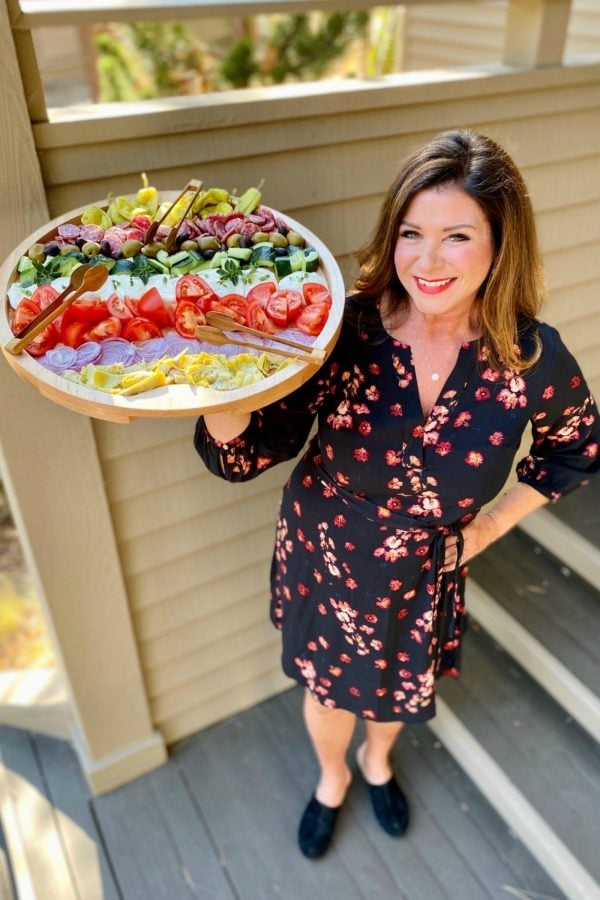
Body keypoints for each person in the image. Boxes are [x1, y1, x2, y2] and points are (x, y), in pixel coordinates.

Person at [193, 130, 599, 859]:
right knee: (327, 692)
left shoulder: (532, 357)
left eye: (455, 237)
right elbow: (258, 444)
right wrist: (212, 386)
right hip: (327, 547)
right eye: (411, 233)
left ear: (501, 244)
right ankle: (330, 780)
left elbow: (575, 449)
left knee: (391, 693)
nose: (427, 260)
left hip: (424, 565)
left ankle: (376, 764)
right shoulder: (347, 328)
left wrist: (486, 529)